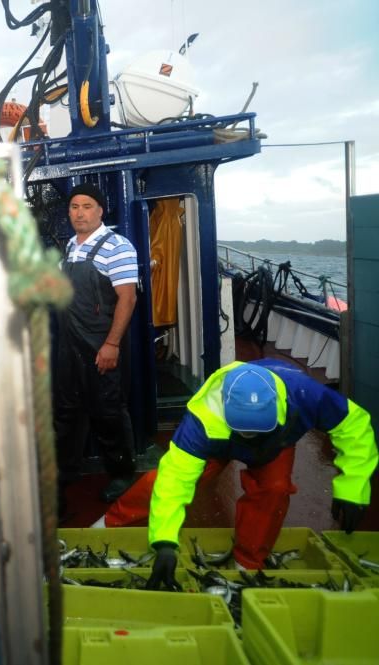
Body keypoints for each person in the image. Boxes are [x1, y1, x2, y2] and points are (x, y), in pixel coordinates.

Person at [118, 359, 378, 589]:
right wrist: (165, 541)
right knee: (161, 481)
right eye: (247, 431)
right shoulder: (204, 419)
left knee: (274, 489)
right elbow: (174, 480)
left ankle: (247, 564)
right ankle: (111, 522)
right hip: (221, 441)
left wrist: (354, 487)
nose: (251, 437)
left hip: (276, 443)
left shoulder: (304, 394)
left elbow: (354, 426)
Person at [54, 182, 139, 509]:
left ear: (100, 210)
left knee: (108, 413)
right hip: (69, 347)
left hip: (101, 345)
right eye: (74, 207)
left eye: (87, 206)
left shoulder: (118, 247)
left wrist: (112, 344)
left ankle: (121, 474)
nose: (79, 213)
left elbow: (127, 299)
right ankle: (64, 476)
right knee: (65, 414)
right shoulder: (71, 247)